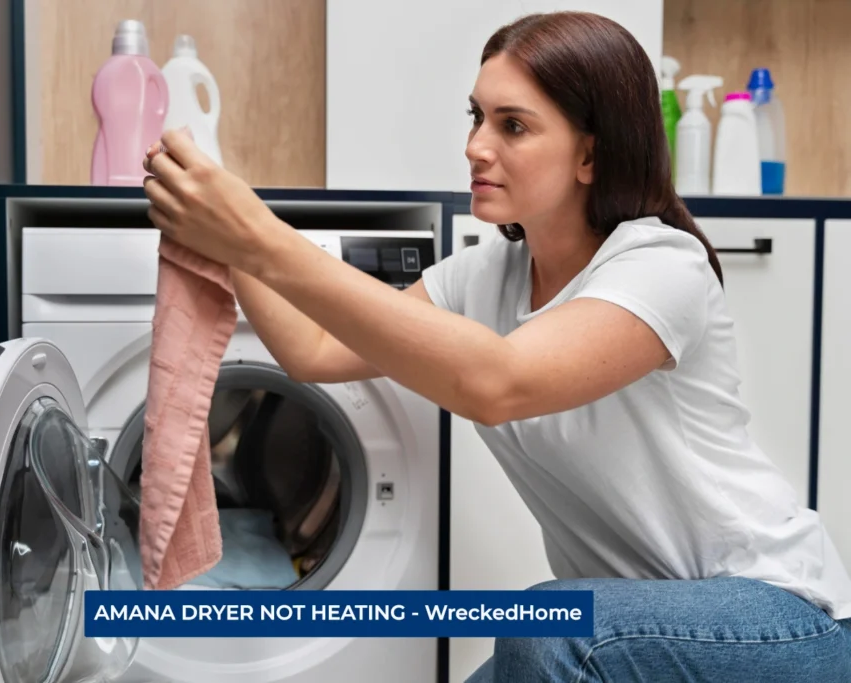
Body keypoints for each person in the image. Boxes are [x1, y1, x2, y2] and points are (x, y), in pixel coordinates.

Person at [140, 10, 851, 682]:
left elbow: (497, 382)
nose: (476, 145)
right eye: (478, 117)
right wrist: (229, 238)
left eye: (513, 125)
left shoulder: (661, 265)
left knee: (548, 629)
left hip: (782, 618)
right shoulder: (484, 274)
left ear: (589, 155)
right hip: (623, 629)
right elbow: (316, 349)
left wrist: (260, 234)